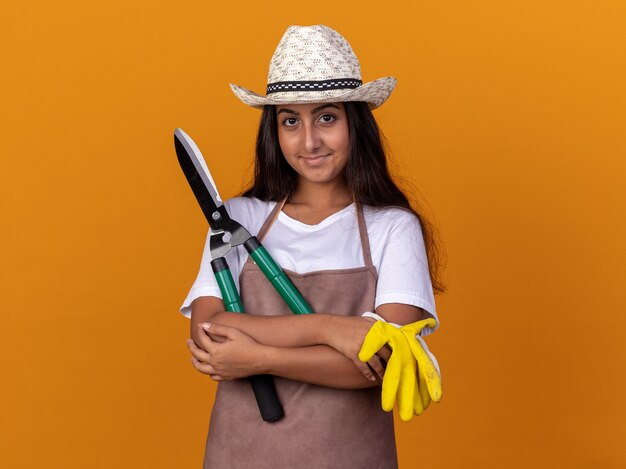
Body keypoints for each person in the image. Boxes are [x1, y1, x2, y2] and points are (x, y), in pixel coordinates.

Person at [179, 24, 445, 469]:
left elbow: (378, 364)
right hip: (238, 456)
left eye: (326, 117)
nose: (309, 142)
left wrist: (256, 356)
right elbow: (208, 336)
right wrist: (331, 330)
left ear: (354, 123)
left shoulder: (394, 228)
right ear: (274, 131)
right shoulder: (238, 217)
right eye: (290, 121)